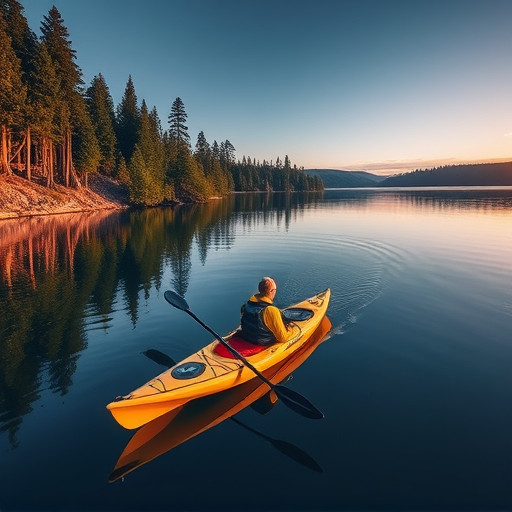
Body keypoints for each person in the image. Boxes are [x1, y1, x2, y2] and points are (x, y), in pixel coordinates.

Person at [240, 277, 299, 345]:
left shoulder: (247, 305)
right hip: (262, 342)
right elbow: (283, 338)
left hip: (247, 337)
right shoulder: (271, 310)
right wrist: (292, 330)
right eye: (275, 290)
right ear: (271, 291)